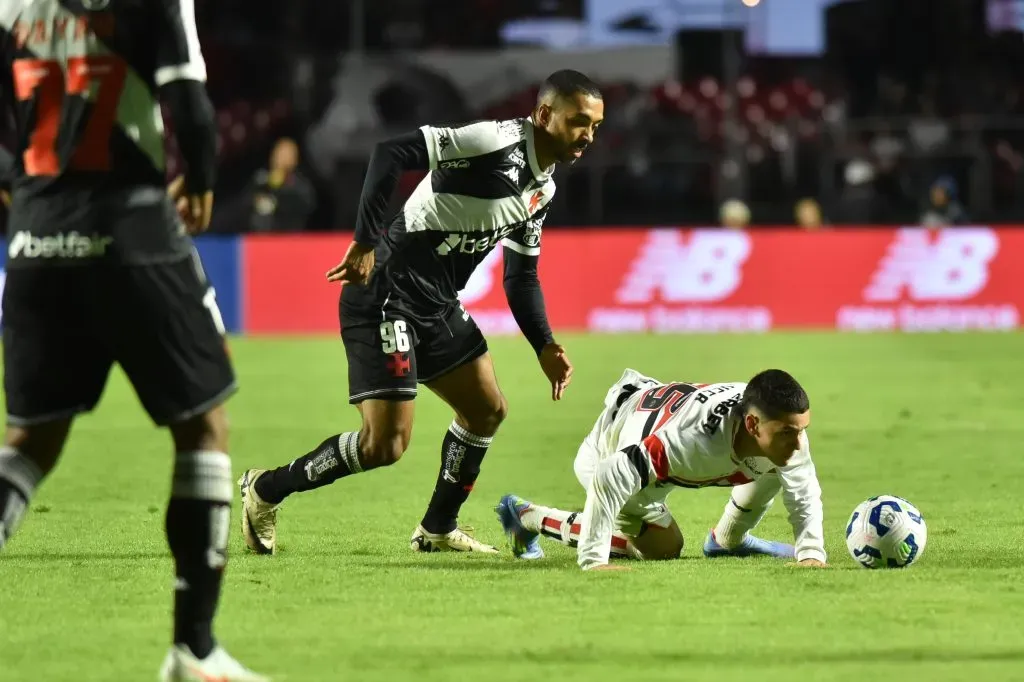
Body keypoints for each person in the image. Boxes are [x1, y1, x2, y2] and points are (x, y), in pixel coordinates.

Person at [0, 2, 265, 680]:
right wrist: (201, 179)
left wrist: (24, 195)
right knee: (204, 427)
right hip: (131, 234)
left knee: (31, 440)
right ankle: (194, 651)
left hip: (33, 240)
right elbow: (190, 107)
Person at [237, 69, 603, 556]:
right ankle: (266, 489)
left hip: (437, 304)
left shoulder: (543, 189)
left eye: (595, 125)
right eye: (579, 121)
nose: (588, 135)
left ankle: (436, 528)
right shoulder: (489, 141)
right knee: (383, 446)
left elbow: (521, 277)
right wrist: (365, 241)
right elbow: (391, 152)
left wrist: (545, 345)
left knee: (486, 409)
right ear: (543, 114)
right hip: (386, 292)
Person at [495, 368, 827, 571]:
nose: (799, 442)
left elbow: (803, 490)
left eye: (802, 429)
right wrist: (594, 561)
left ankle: (728, 540)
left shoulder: (779, 425)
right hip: (612, 448)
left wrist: (810, 553)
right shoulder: (693, 442)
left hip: (655, 411)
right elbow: (610, 473)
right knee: (664, 549)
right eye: (789, 432)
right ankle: (526, 516)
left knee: (779, 462)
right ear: (752, 424)